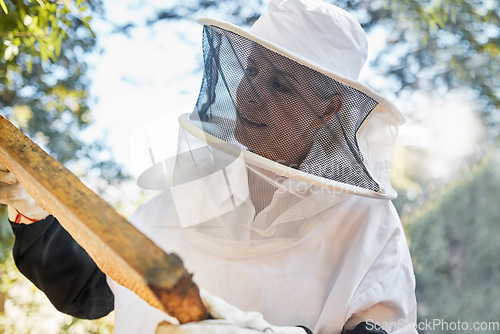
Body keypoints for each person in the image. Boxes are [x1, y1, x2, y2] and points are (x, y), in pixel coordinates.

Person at [0, 0, 418, 333]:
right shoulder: (198, 186)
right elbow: (96, 288)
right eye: (251, 69)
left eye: (282, 85)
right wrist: (36, 211)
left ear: (329, 110)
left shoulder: (368, 225)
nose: (251, 94)